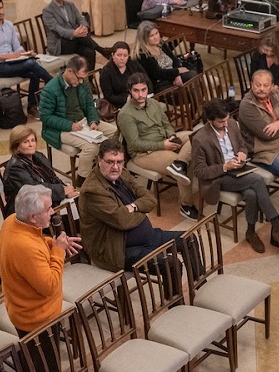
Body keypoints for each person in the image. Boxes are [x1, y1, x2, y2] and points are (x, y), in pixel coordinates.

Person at [191, 100, 279, 253]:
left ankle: (250, 232)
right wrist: (225, 167)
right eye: (221, 122)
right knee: (257, 180)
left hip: (239, 169)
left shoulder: (232, 124)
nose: (226, 124)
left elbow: (242, 145)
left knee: (252, 194)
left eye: (227, 119)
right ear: (210, 120)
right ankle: (277, 226)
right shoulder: (200, 139)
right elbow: (199, 171)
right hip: (219, 177)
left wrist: (242, 153)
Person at [78, 141, 186, 271]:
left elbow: (150, 198)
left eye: (119, 162)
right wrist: (142, 208)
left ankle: (199, 285)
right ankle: (175, 292)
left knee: (188, 239)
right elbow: (122, 220)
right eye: (110, 162)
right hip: (117, 249)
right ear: (99, 160)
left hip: (147, 237)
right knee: (171, 264)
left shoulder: (122, 173)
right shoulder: (92, 190)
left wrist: (133, 207)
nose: (116, 167)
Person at [0, 185, 81, 336]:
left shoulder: (12, 220)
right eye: (48, 208)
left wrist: (53, 243)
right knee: (47, 360)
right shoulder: (24, 247)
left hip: (24, 307)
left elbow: (37, 240)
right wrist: (58, 251)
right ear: (33, 217)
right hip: (37, 321)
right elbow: (50, 287)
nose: (52, 212)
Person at [116, 73, 197, 220]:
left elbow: (166, 124)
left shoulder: (153, 103)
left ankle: (180, 164)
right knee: (179, 160)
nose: (140, 94)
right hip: (145, 153)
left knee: (195, 137)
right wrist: (163, 145)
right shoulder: (125, 114)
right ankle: (186, 205)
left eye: (143, 90)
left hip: (165, 141)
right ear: (130, 91)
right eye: (136, 90)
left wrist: (172, 136)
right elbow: (135, 144)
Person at [38, 55, 117, 182]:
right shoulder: (50, 90)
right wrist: (69, 125)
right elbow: (45, 117)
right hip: (59, 129)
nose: (81, 82)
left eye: (83, 78)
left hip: (82, 122)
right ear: (69, 71)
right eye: (79, 78)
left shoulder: (82, 83)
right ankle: (83, 178)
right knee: (91, 147)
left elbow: (89, 104)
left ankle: (101, 167)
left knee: (115, 132)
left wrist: (93, 120)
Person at [0, 0, 52, 116]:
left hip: (13, 62)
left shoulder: (9, 25)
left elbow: (17, 46)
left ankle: (31, 106)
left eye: (1, 8)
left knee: (34, 72)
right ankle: (54, 83)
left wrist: (25, 53)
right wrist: (9, 56)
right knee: (32, 64)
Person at [238, 69, 279, 185]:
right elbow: (266, 134)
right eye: (258, 85)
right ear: (251, 85)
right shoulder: (247, 105)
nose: (261, 89)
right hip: (264, 152)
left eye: (265, 85)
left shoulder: (277, 94)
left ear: (272, 86)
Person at [2, 126, 77, 218]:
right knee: (77, 219)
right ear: (16, 146)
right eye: (26, 142)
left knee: (82, 205)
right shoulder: (15, 168)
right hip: (28, 212)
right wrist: (62, 191)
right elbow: (35, 190)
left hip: (45, 202)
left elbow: (52, 177)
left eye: (33, 140)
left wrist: (66, 189)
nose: (31, 144)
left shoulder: (38, 156)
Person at [42, 0, 107, 69]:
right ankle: (101, 50)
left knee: (90, 52)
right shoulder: (47, 11)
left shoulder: (70, 5)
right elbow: (57, 29)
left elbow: (80, 19)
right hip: (59, 44)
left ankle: (89, 79)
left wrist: (84, 27)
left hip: (75, 41)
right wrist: (74, 33)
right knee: (79, 38)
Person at [133, 21, 196, 93]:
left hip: (172, 76)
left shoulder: (160, 44)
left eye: (157, 33)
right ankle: (198, 103)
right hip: (160, 84)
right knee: (189, 84)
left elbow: (174, 59)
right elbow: (158, 73)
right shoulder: (142, 54)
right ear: (144, 38)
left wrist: (177, 75)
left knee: (193, 75)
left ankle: (198, 103)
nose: (156, 37)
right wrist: (177, 71)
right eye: (151, 36)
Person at [98, 41, 146, 110]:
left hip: (140, 98)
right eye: (119, 55)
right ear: (113, 55)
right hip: (120, 105)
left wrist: (144, 93)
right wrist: (127, 99)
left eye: (125, 56)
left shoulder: (133, 64)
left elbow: (146, 79)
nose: (122, 58)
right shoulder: (106, 72)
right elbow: (108, 96)